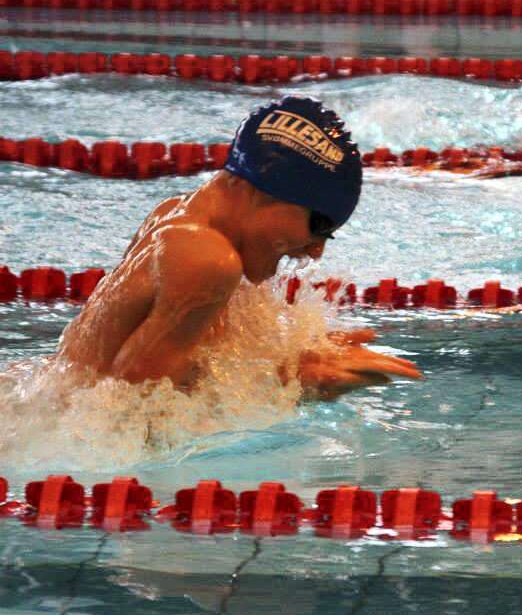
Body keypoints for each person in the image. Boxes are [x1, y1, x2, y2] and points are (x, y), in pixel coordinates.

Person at [57, 95, 422, 400]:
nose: (316, 251)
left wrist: (294, 361)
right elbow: (127, 411)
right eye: (320, 226)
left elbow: (182, 368)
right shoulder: (208, 260)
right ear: (273, 191)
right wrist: (293, 384)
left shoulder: (176, 217)